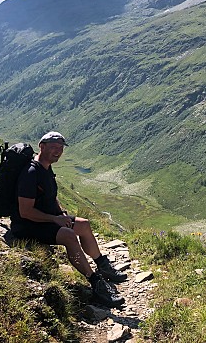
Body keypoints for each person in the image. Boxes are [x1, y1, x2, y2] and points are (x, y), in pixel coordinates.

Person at [10, 131, 126, 307]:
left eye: (60, 148)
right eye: (54, 147)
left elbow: (50, 197)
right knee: (68, 235)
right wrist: (54, 219)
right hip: (26, 225)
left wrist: (61, 214)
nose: (58, 151)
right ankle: (96, 283)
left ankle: (102, 265)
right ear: (42, 146)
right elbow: (25, 211)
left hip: (47, 220)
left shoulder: (47, 169)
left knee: (84, 225)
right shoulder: (31, 172)